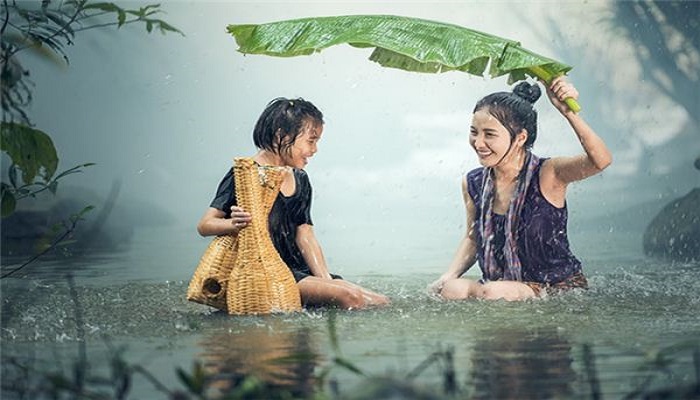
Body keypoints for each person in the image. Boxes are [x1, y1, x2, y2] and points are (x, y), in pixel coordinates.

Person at [428, 77, 612, 301]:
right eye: (474, 132)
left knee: (493, 292)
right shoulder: (474, 182)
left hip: (555, 288)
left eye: (489, 134)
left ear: (520, 138)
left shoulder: (548, 174)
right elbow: (474, 237)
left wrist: (568, 112)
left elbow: (600, 161)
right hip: (502, 287)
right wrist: (448, 276)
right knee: (452, 289)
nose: (478, 143)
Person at [197, 97, 390, 310]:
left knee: (380, 302)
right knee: (351, 297)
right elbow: (205, 225)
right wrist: (232, 225)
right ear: (282, 135)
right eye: (311, 140)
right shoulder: (245, 174)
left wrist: (326, 279)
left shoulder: (300, 178)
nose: (315, 149)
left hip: (299, 271)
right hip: (269, 274)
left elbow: (305, 235)